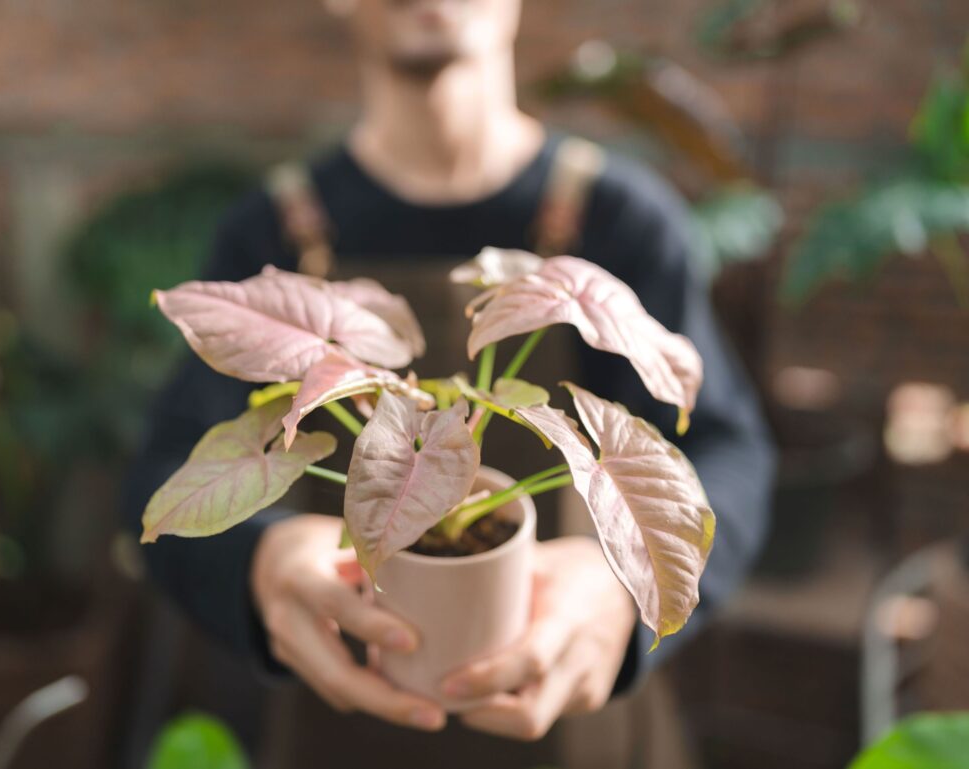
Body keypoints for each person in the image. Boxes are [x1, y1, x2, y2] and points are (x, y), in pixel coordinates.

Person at [123, 0, 776, 748]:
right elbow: (161, 468)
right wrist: (260, 560)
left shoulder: (621, 222)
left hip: (578, 728)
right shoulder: (269, 231)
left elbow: (731, 450)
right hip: (341, 724)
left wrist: (616, 590)